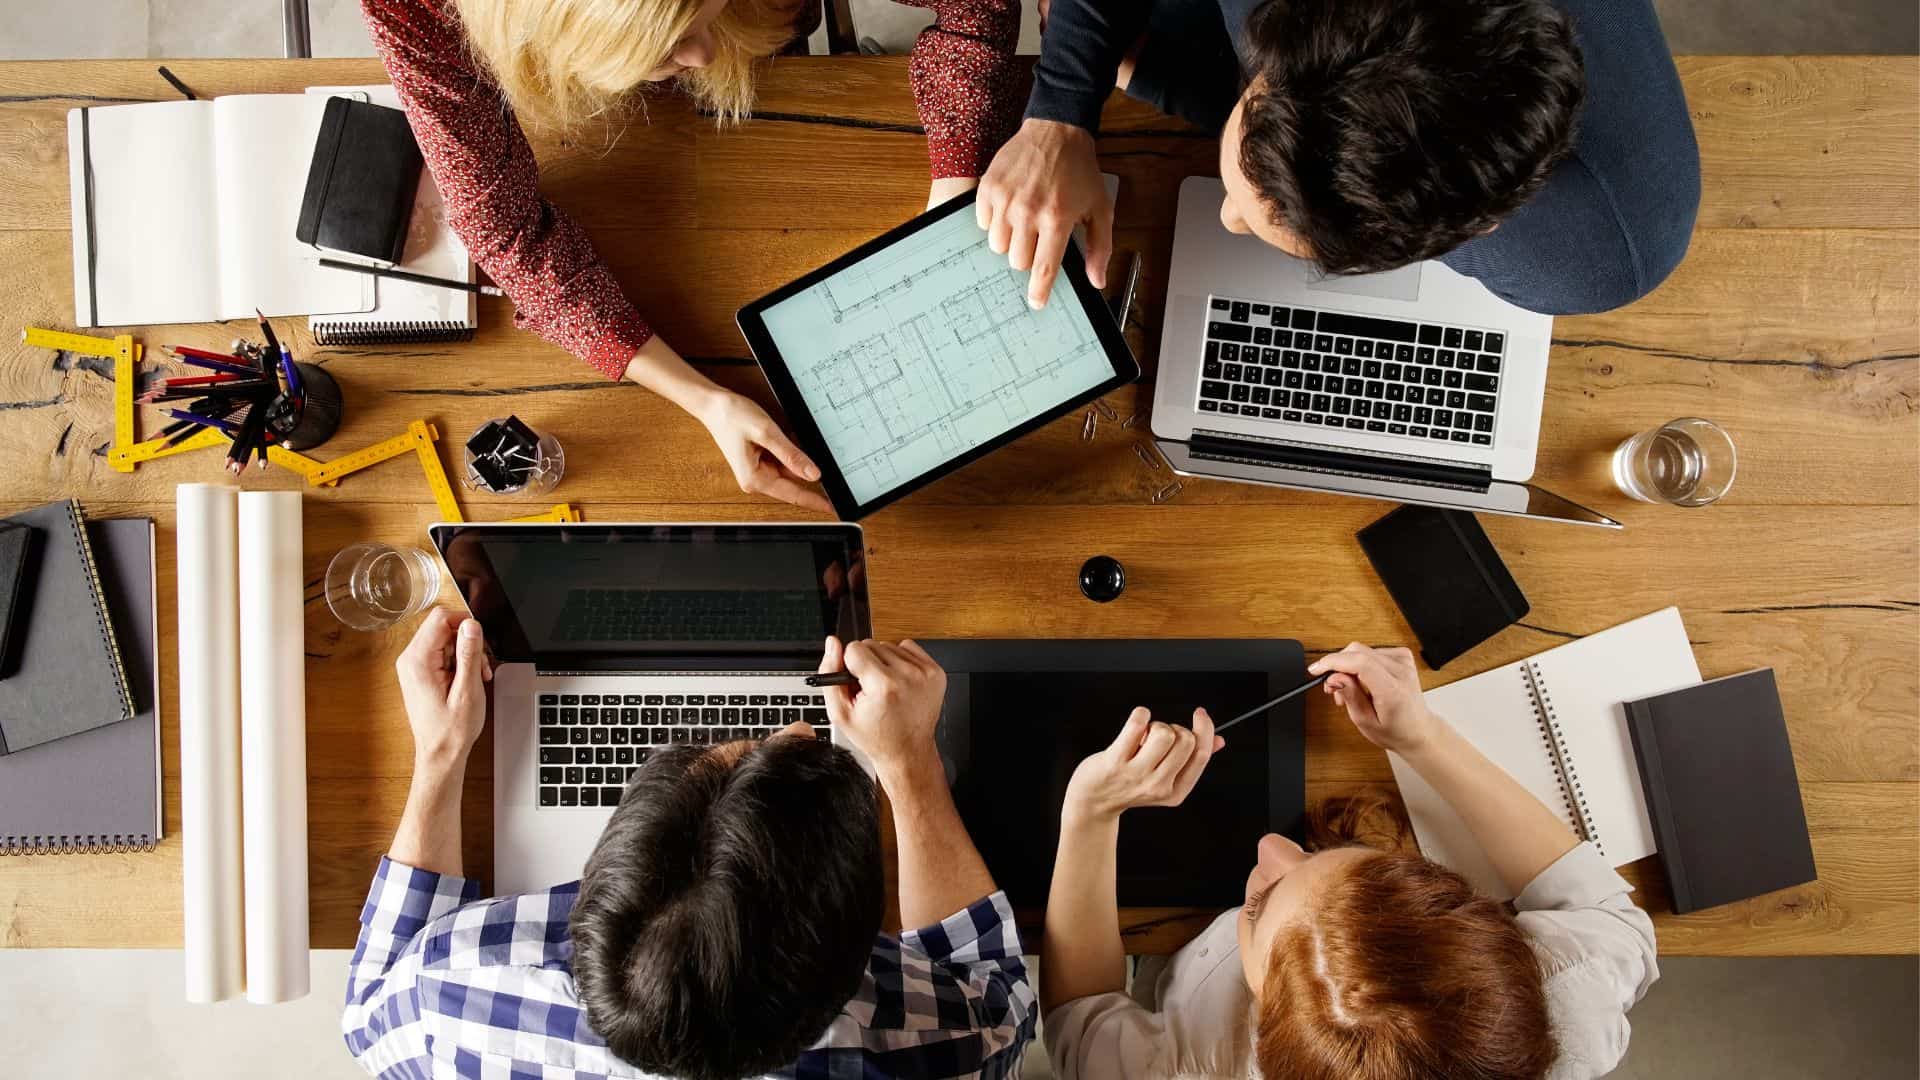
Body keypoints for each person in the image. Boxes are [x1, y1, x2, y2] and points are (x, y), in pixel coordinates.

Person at [360, 0, 1024, 512]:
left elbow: (979, 6)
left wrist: (949, 205)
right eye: (673, 39)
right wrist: (703, 400)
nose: (704, 56)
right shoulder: (413, 7)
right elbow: (504, 234)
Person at [341, 610, 1035, 1079]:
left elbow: (367, 1007)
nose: (792, 731)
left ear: (595, 897)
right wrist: (909, 762)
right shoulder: (941, 1047)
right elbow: (997, 993)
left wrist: (439, 753)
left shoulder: (450, 993)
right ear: (856, 955)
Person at [1040, 642, 1659, 1080]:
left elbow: (1081, 1024)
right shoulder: (1570, 990)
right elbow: (1600, 909)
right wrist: (1421, 735)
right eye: (1354, 860)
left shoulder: (1180, 1069)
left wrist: (1089, 815)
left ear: (1267, 1029)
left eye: (1256, 908)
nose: (1270, 846)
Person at [978, 0, 1701, 317]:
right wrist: (1060, 114)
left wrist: (1157, 72)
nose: (1227, 219)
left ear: (1480, 231)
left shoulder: (1599, 250)